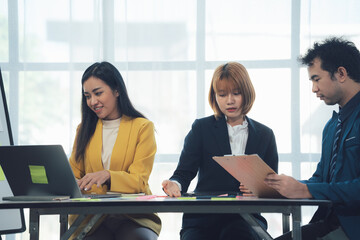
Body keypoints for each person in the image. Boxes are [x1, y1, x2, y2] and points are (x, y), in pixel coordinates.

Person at [162, 62, 279, 240]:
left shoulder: (265, 135)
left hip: (246, 219)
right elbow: (184, 173)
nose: (229, 101)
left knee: (238, 235)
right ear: (215, 97)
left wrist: (259, 189)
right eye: (222, 95)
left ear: (246, 93)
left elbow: (271, 183)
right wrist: (174, 184)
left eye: (236, 93)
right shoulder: (201, 128)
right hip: (203, 219)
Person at [264, 37, 360, 240]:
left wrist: (305, 189)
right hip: (328, 221)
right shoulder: (332, 127)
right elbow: (320, 180)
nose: (314, 89)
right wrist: (280, 188)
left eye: (316, 79)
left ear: (341, 74)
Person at [68, 61, 161, 240]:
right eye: (87, 96)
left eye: (98, 93)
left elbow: (139, 181)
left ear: (117, 90)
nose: (92, 101)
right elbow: (73, 175)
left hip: (133, 217)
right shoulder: (84, 129)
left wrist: (109, 176)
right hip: (91, 217)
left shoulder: (142, 127)